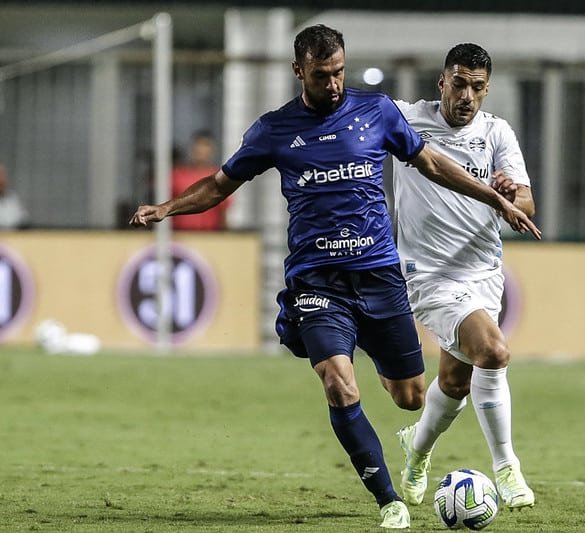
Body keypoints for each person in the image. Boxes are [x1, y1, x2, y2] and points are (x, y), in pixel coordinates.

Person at [129, 25, 538, 529]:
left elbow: (433, 163)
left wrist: (497, 197)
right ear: (299, 71)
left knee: (411, 396)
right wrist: (169, 207)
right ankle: (392, 499)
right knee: (341, 384)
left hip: (379, 276)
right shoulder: (274, 130)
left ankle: (414, 440)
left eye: (340, 71)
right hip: (319, 281)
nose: (335, 83)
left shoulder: (377, 112)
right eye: (323, 75)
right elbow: (219, 184)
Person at [391, 43, 538, 510]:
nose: (467, 95)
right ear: (442, 82)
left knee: (455, 382)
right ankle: (507, 468)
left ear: (486, 89)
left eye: (477, 87)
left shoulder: (497, 133)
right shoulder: (406, 119)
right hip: (429, 275)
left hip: (483, 273)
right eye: (459, 83)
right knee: (493, 352)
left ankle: (416, 454)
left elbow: (528, 205)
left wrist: (511, 194)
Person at [171, 130, 231, 231]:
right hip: (180, 236)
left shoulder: (220, 176)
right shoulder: (177, 175)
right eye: (198, 146)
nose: (201, 151)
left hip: (209, 236)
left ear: (212, 150)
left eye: (205, 146)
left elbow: (223, 212)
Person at [0, 164, 30, 230]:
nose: (2, 180)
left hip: (14, 237)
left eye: (3, 175)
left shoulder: (13, 198)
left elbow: (23, 220)